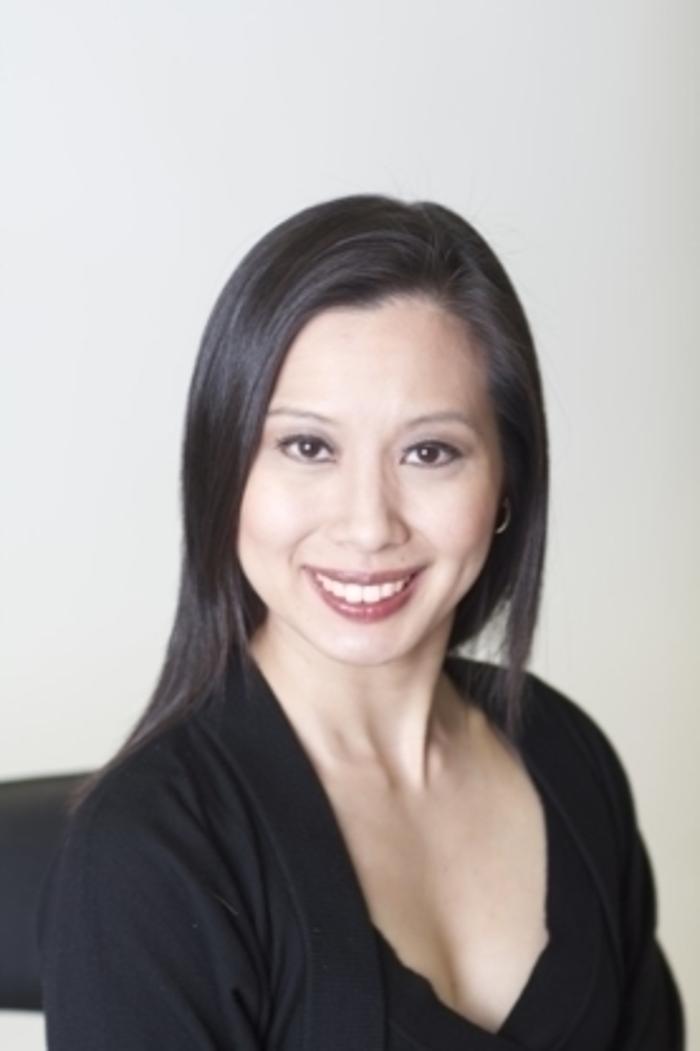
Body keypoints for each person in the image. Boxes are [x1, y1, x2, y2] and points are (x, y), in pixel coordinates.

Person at [38, 194, 684, 1049]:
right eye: (309, 447)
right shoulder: (145, 851)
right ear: (225, 472)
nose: (369, 524)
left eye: (429, 451)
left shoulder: (567, 754)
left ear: (506, 485)